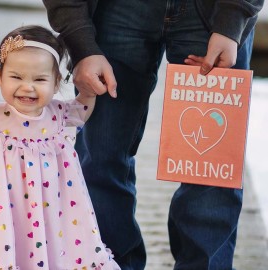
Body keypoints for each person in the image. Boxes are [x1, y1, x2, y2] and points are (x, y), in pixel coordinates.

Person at [42, 0, 264, 269]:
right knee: (101, 158)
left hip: (214, 11)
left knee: (211, 169)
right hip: (116, 11)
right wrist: (80, 41)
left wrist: (232, 20)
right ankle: (109, 264)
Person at [0, 25, 121, 270]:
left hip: (54, 207)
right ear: (0, 77)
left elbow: (82, 111)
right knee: (11, 249)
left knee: (58, 248)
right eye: (16, 77)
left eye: (40, 79)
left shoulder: (58, 114)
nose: (28, 86)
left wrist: (89, 91)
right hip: (8, 208)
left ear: (56, 83)